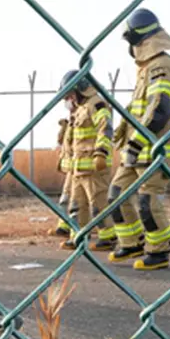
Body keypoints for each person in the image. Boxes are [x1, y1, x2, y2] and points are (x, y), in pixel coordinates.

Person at [107, 8, 170, 271]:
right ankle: (132, 242)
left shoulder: (161, 65)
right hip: (135, 151)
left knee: (147, 202)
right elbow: (140, 110)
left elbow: (160, 109)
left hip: (153, 151)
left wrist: (136, 143)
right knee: (116, 194)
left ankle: (159, 251)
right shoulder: (147, 69)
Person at [59, 69, 116, 251]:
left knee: (98, 204)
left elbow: (105, 128)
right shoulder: (79, 110)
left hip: (94, 168)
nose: (69, 99)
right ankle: (78, 237)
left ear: (80, 88)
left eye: (70, 93)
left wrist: (101, 153)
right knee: (77, 205)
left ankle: (108, 237)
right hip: (78, 168)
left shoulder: (97, 104)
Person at [51, 115, 81, 238]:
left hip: (80, 166)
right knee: (66, 197)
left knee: (76, 199)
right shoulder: (71, 123)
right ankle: (64, 225)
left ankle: (74, 227)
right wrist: (64, 128)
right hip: (72, 167)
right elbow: (62, 142)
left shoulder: (83, 120)